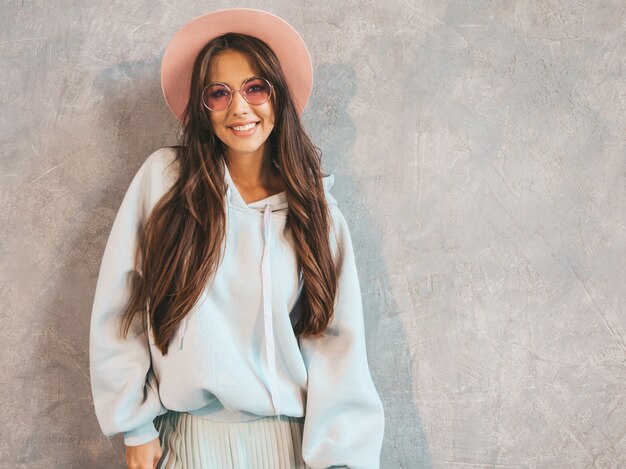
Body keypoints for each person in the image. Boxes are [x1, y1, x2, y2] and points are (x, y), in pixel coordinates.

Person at [89, 8, 385, 469]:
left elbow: (336, 346)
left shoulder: (316, 215)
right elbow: (121, 305)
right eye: (218, 94)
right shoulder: (165, 182)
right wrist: (134, 425)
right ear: (202, 108)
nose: (239, 108)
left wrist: (342, 459)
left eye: (255, 88)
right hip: (183, 439)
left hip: (288, 446)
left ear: (277, 95)